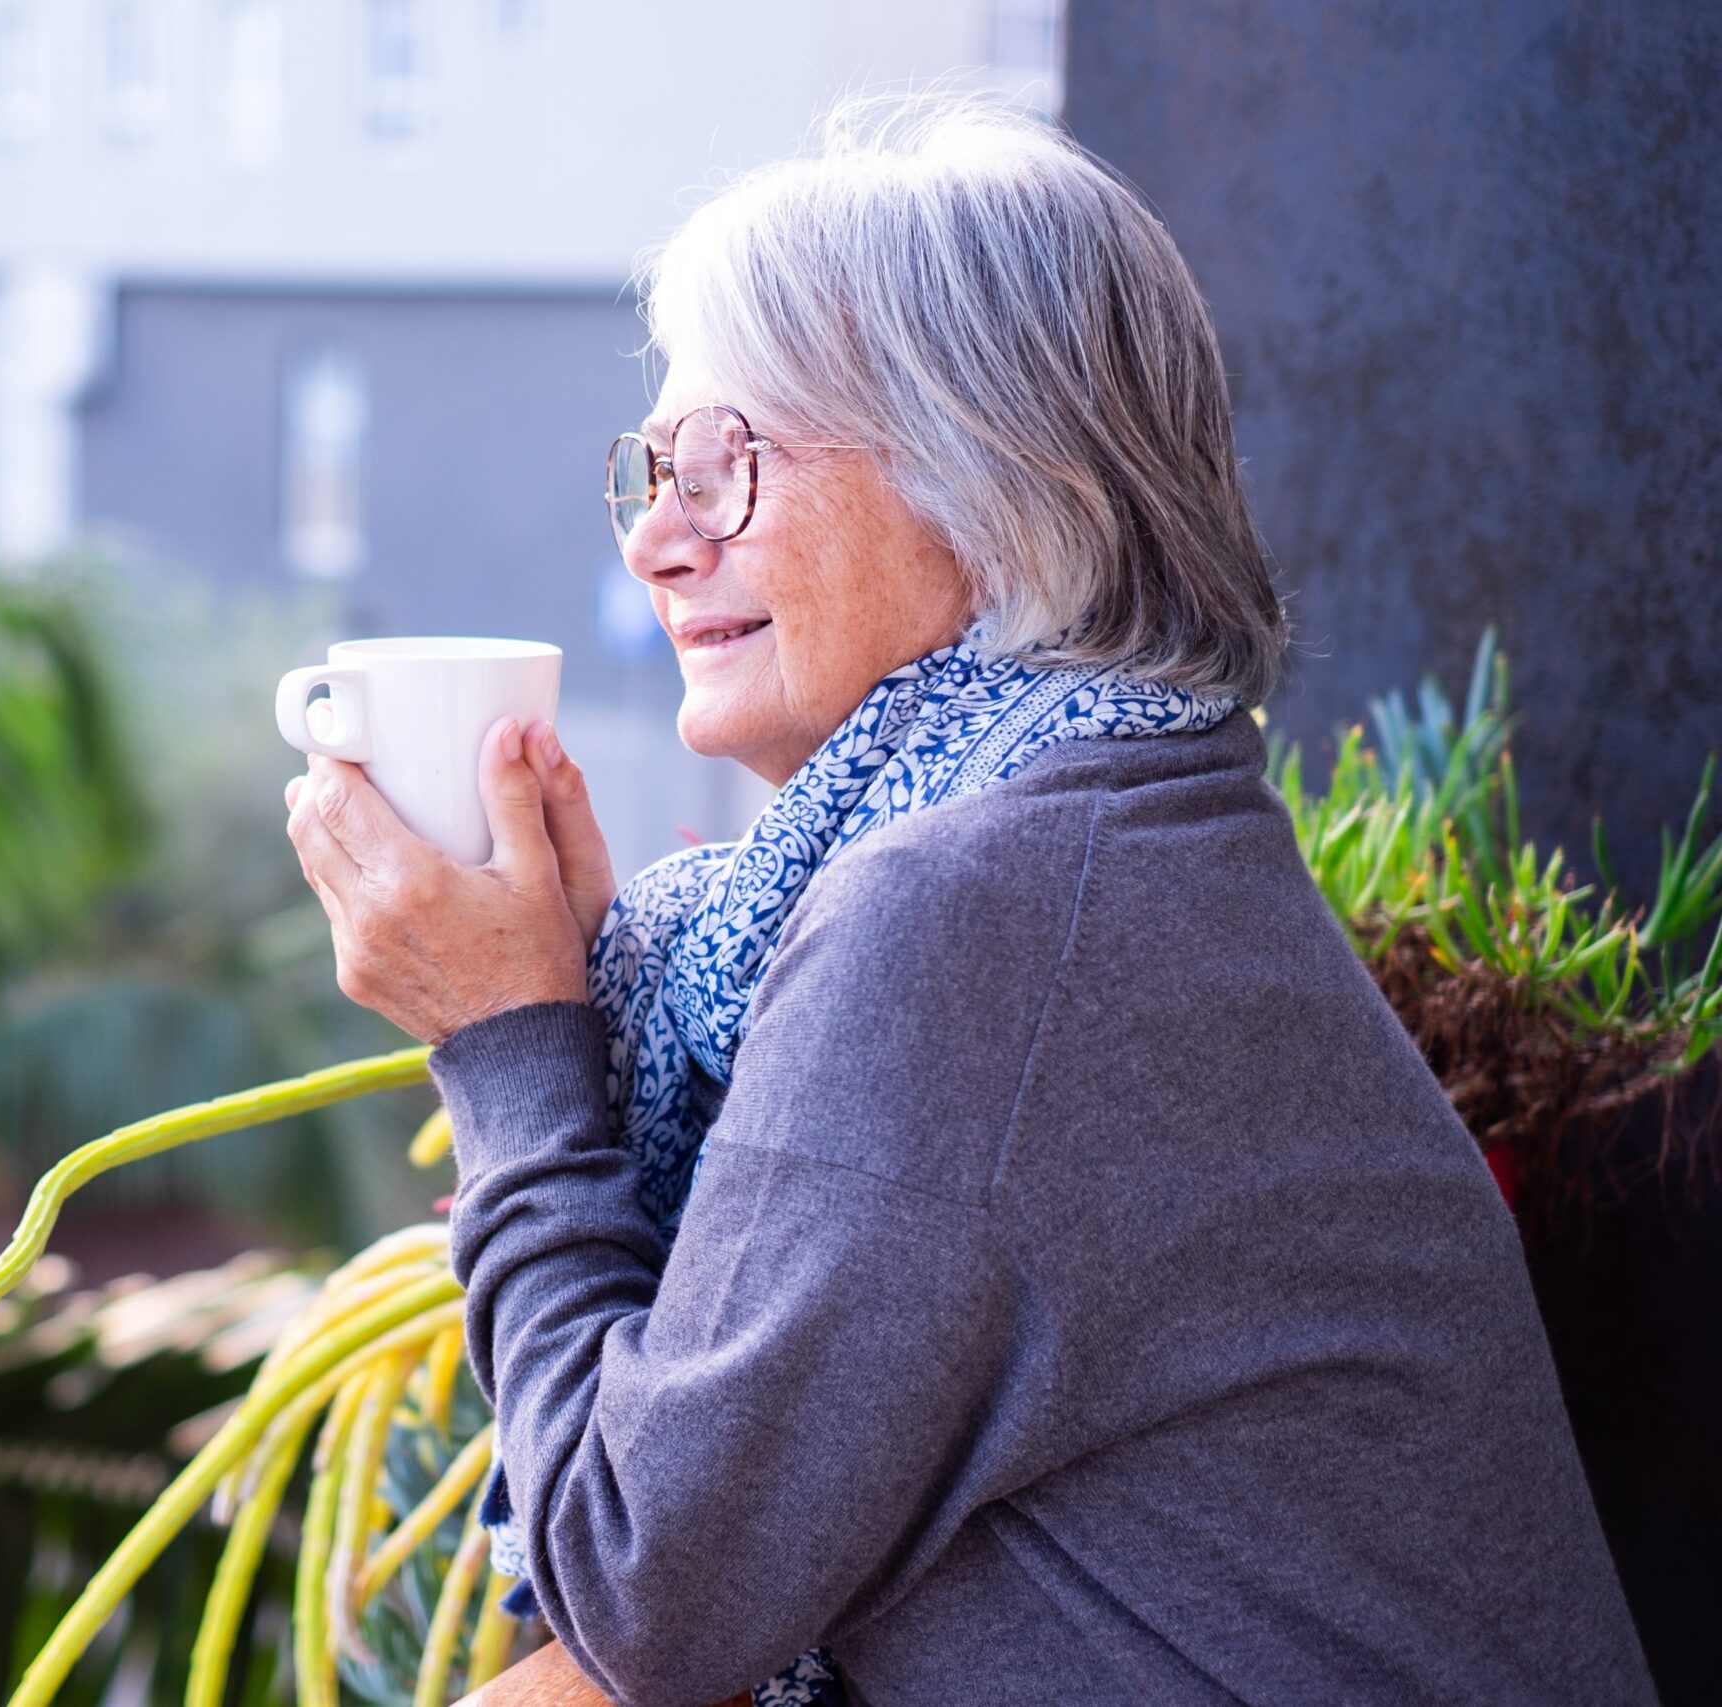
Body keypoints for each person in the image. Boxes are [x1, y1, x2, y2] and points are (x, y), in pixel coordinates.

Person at [283, 95, 1650, 1707]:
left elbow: (653, 1595)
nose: (656, 540)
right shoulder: (1113, 836)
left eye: (726, 466)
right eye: (652, 471)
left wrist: (512, 1044)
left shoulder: (981, 912)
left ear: (997, 484)